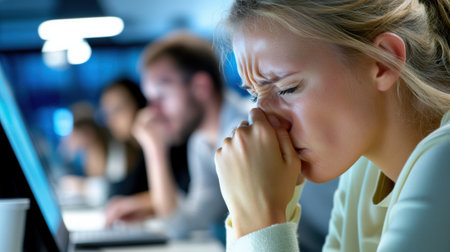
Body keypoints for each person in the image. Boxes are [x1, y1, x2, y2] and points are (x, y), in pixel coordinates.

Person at [215, 0, 450, 251]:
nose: (264, 122)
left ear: (384, 61)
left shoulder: (445, 159)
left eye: (287, 88)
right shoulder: (362, 172)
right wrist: (261, 204)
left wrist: (261, 220)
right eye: (254, 94)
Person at [128, 33, 248, 239]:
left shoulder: (247, 131)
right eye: (150, 100)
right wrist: (155, 149)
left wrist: (154, 148)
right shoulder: (202, 143)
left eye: (161, 96)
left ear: (200, 87)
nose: (153, 112)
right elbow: (181, 224)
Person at [101, 78, 191, 223]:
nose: (110, 120)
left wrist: (136, 203)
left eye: (117, 110)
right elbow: (117, 192)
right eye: (107, 113)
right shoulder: (129, 148)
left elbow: (184, 194)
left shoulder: (171, 144)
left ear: (140, 105)